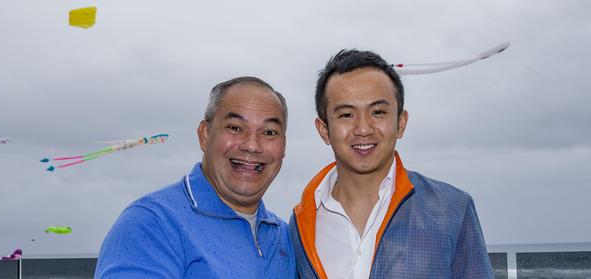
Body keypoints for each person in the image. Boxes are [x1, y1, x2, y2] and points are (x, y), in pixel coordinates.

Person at [289, 50, 493, 278]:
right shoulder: (300, 224)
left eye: (378, 112)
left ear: (401, 123)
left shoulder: (452, 210)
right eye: (346, 115)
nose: (364, 128)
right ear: (324, 130)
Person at [95, 76, 295, 278]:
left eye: (269, 132)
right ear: (204, 135)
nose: (252, 145)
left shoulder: (285, 237)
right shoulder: (152, 223)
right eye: (235, 128)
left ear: (284, 146)